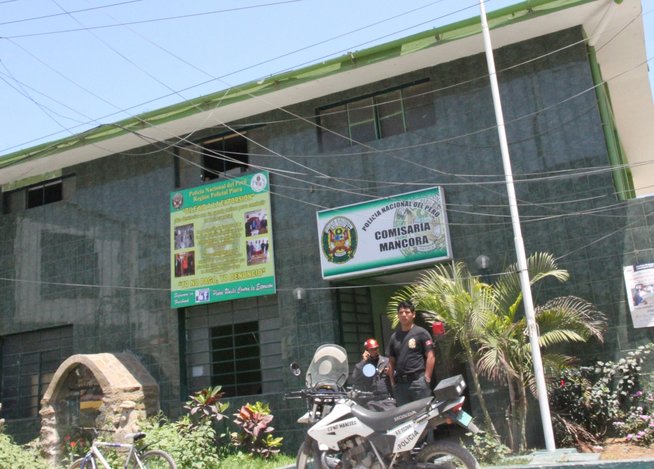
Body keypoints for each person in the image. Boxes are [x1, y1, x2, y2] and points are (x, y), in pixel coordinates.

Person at [387, 300, 435, 406]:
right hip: (400, 385)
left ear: (413, 314)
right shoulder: (394, 337)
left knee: (423, 412)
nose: (404, 315)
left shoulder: (421, 333)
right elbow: (391, 361)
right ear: (398, 316)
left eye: (407, 312)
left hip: (418, 382)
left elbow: (431, 356)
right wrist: (392, 382)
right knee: (404, 415)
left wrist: (427, 378)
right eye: (401, 312)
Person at [350, 338, 395, 411]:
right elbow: (355, 377)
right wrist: (363, 361)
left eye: (376, 348)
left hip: (387, 400)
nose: (375, 351)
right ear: (367, 351)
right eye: (372, 349)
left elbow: (396, 376)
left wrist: (391, 373)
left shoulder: (386, 361)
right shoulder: (364, 364)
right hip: (371, 401)